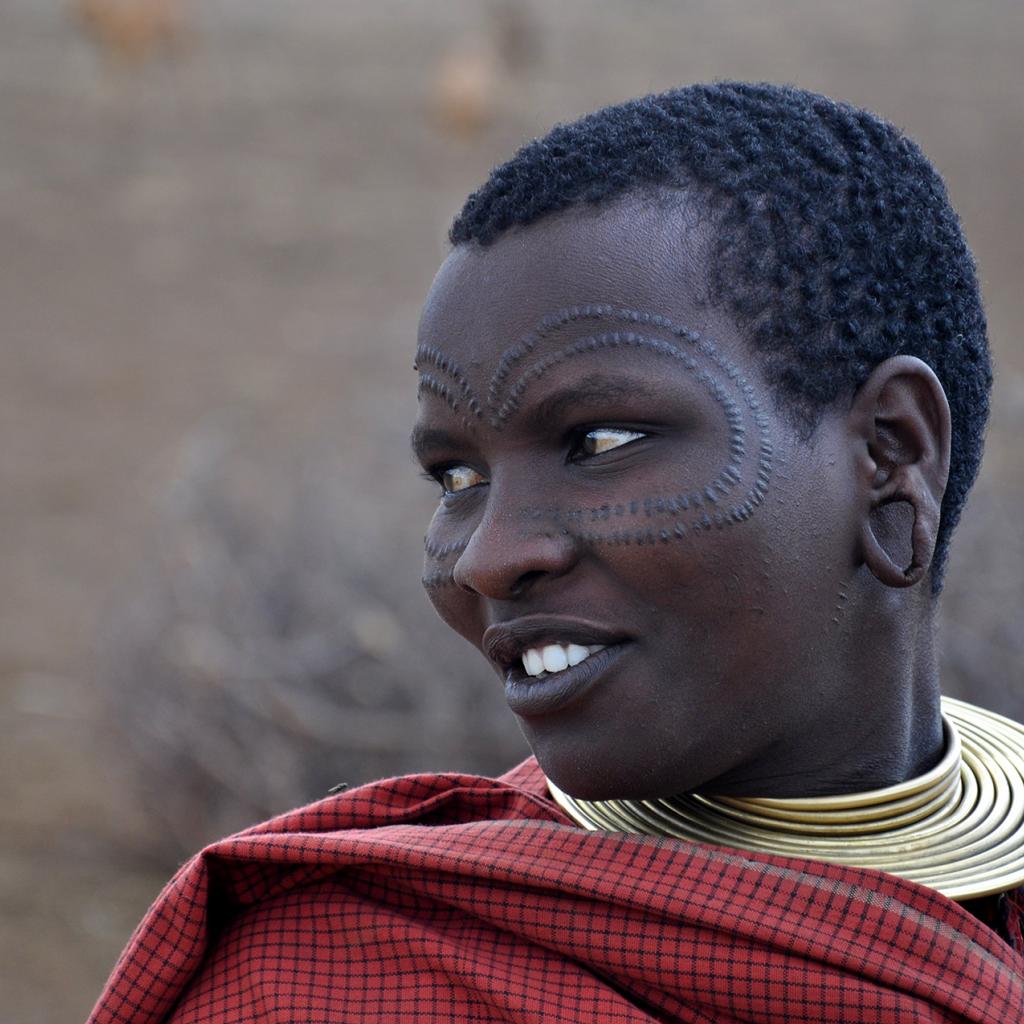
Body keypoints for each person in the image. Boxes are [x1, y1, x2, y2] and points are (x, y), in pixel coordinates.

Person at [89, 82, 1024, 1023]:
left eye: (601, 443)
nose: (486, 559)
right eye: (456, 478)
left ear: (893, 455)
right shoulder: (343, 984)